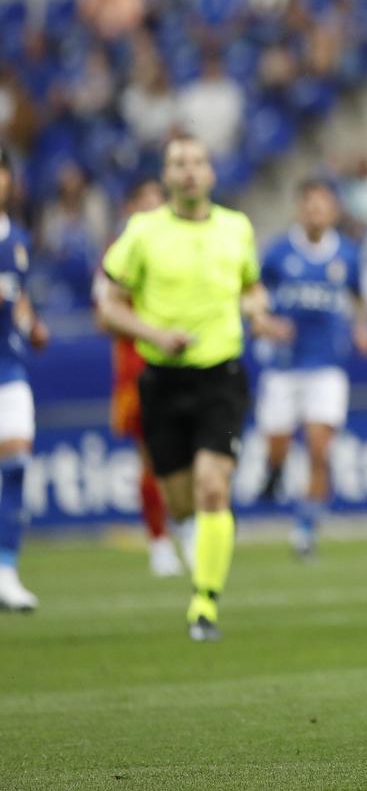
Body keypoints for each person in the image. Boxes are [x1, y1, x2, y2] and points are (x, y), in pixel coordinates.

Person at [94, 134, 289, 641]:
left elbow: (249, 285)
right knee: (180, 500)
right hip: (160, 377)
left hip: (220, 373)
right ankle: (194, 544)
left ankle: (204, 603)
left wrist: (258, 312)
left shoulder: (236, 228)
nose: (188, 172)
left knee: (212, 486)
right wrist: (156, 335)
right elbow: (110, 305)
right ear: (165, 175)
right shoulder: (141, 233)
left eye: (197, 162)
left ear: (211, 172)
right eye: (178, 163)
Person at [253, 179, 367, 559]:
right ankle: (273, 471)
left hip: (326, 365)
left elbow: (359, 297)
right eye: (310, 206)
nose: (316, 213)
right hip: (284, 365)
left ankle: (305, 530)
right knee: (278, 446)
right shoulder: (277, 253)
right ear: (300, 210)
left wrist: (362, 328)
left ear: (334, 211)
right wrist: (267, 324)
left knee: (320, 449)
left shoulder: (348, 255)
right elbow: (254, 296)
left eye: (323, 206)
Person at [106, 178, 181, 577]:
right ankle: (159, 539)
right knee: (153, 457)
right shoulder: (120, 255)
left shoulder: (184, 247)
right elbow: (102, 317)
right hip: (139, 369)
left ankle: (186, 524)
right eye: (145, 204)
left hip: (187, 363)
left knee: (188, 453)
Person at [0, 149, 51, 611]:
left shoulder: (16, 239)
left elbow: (19, 298)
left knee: (16, 466)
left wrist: (32, 325)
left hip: (10, 368)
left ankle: (7, 571)